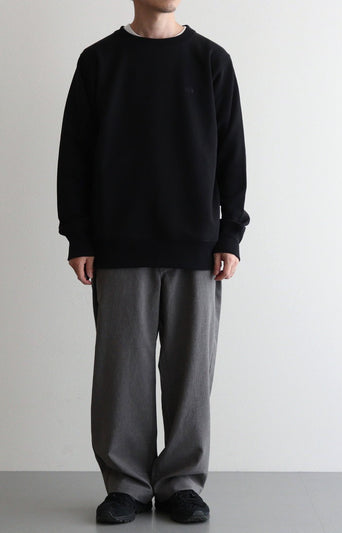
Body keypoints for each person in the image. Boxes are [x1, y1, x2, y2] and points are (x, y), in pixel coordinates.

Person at [57, 0, 250, 524]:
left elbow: (232, 152)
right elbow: (74, 154)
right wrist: (79, 236)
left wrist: (231, 234)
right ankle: (127, 486)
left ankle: (182, 483)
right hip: (119, 244)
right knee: (121, 376)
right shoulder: (99, 61)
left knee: (191, 376)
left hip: (197, 248)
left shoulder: (211, 60)